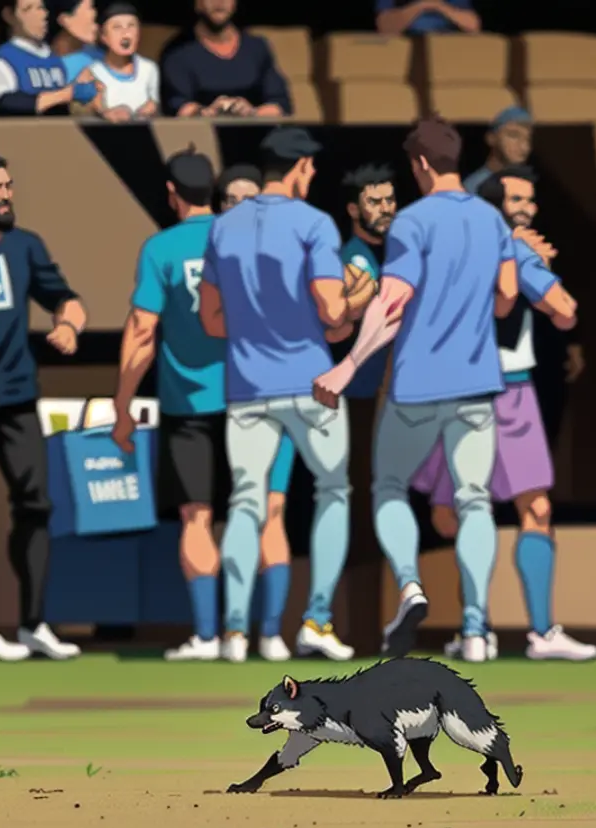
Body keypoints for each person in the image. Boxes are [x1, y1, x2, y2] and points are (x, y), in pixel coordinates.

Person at [313, 115, 518, 658]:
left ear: (421, 165)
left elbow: (391, 301)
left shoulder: (411, 223)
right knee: (475, 501)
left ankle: (410, 583)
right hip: (477, 383)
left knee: (389, 487)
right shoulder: (491, 220)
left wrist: (349, 365)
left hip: (418, 384)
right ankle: (476, 628)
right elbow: (506, 298)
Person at [112, 148, 298, 662]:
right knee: (270, 515)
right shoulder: (249, 239)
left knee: (197, 516)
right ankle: (270, 636)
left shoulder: (161, 249)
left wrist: (123, 403)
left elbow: (142, 330)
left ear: (172, 194)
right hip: (259, 396)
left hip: (188, 404)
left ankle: (209, 635)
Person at [198, 127, 376, 661]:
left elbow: (210, 319)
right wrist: (361, 295)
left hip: (248, 385)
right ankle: (316, 620)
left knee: (245, 502)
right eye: (311, 167)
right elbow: (331, 311)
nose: (312, 175)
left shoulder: (222, 228)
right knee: (333, 492)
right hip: (308, 381)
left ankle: (233, 632)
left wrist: (259, 328)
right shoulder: (313, 223)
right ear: (298, 166)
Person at [410, 166, 596, 663]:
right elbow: (564, 309)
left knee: (522, 509)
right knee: (456, 514)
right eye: (516, 197)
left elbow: (563, 309)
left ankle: (522, 630)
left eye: (530, 199)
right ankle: (482, 625)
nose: (527, 207)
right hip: (477, 391)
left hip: (491, 389)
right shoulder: (507, 248)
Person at [0, 152, 85, 660]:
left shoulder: (26, 246)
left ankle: (34, 623)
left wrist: (68, 325)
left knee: (36, 504)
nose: (6, 195)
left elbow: (66, 297)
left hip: (17, 394)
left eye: (9, 185)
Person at [160, 0, 291, 119]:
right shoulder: (177, 53)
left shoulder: (257, 47)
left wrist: (252, 113)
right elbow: (177, 107)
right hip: (203, 135)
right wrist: (209, 113)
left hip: (258, 133)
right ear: (197, 4)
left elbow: (280, 105)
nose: (220, 2)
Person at [337, 164, 397, 401]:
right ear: (353, 209)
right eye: (374, 202)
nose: (385, 209)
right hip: (363, 387)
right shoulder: (351, 259)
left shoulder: (400, 252)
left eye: (390, 200)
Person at [0, 0, 96, 117]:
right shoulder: (6, 58)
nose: (40, 15)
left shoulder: (53, 58)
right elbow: (2, 104)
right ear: (9, 15)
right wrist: (66, 94)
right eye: (28, 9)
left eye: (41, 8)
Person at [87, 3, 160, 121]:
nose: (126, 33)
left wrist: (147, 110)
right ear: (103, 36)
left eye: (131, 26)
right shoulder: (93, 71)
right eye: (117, 27)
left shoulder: (149, 68)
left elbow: (155, 103)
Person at [462, 107, 533, 196]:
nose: (524, 147)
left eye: (528, 139)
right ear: (491, 138)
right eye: (513, 135)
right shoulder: (473, 187)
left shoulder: (526, 185)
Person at [48, 0, 104, 86]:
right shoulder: (59, 64)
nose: (94, 13)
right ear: (65, 20)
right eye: (90, 7)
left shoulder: (92, 51)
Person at [375, 0, 480, 36]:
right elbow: (385, 28)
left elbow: (473, 26)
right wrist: (421, 5)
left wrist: (438, 6)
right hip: (405, 52)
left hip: (447, 51)